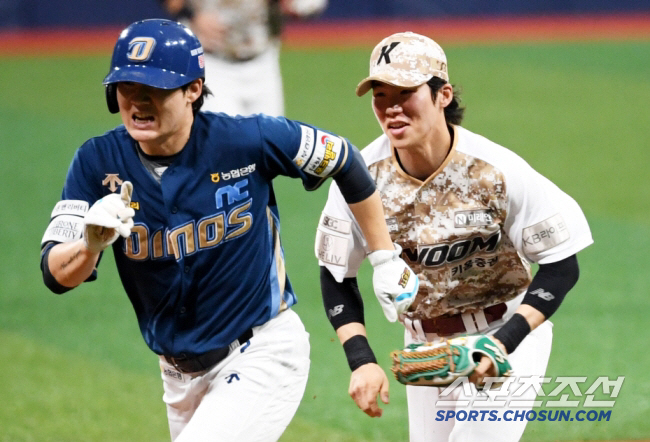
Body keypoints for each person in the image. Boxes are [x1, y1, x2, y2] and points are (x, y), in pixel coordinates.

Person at [39, 20, 417, 442]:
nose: (139, 102)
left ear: (193, 89)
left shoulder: (246, 140)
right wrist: (89, 245)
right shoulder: (95, 162)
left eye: (156, 89)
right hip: (178, 378)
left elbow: (343, 157)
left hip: (262, 352)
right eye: (127, 86)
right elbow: (55, 275)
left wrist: (383, 256)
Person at [315, 31, 593, 441]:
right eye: (380, 94)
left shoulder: (496, 170)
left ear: (443, 94)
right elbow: (336, 274)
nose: (391, 108)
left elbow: (561, 265)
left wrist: (506, 341)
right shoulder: (359, 179)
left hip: (507, 333)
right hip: (425, 350)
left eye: (406, 92)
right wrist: (361, 359)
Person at [159, 0, 327, 116]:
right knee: (224, 146)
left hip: (263, 62)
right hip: (211, 62)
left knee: (268, 147)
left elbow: (308, 6)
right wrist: (191, 15)